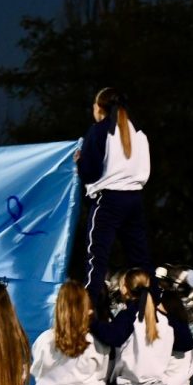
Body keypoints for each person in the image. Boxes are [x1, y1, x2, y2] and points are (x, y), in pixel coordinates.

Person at [76, 87, 151, 307]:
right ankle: (152, 309)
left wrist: (80, 161)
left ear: (99, 108)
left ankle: (89, 311)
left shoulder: (99, 131)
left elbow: (90, 171)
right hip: (135, 199)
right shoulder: (138, 132)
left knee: (96, 259)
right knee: (141, 259)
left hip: (108, 200)